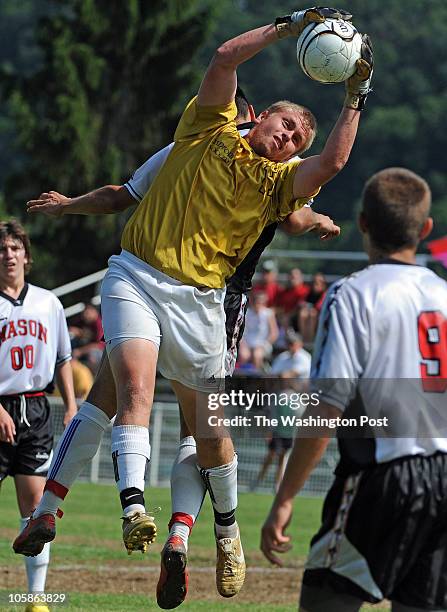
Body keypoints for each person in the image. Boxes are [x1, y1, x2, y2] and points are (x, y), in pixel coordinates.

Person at [17, 6, 372, 607]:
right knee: (128, 388)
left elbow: (324, 174)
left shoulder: (279, 183)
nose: (286, 138)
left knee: (203, 432)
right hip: (136, 276)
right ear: (255, 116)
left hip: (208, 305)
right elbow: (223, 60)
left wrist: (356, 95)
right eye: (283, 125)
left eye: (295, 140)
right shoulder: (203, 130)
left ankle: (222, 532)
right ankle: (133, 508)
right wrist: (287, 26)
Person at [260, 168, 447, 612]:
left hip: (382, 477)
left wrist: (284, 499)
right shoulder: (444, 293)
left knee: (326, 602)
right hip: (444, 475)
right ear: (424, 230)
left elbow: (328, 407)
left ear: (362, 222)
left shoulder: (352, 295)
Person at [0, 220, 77, 612]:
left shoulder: (49, 303)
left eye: (15, 248)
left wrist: (72, 406)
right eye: (2, 249)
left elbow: (64, 358)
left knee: (36, 513)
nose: (8, 255)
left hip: (36, 410)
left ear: (27, 257)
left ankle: (35, 599)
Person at [238, 291, 279, 370]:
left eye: (261, 302)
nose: (258, 304)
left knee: (257, 355)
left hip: (263, 343)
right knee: (244, 355)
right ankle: (242, 377)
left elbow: (274, 333)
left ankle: (257, 377)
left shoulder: (268, 313)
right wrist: (243, 344)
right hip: (247, 343)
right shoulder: (246, 313)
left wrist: (264, 344)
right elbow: (241, 331)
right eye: (257, 302)